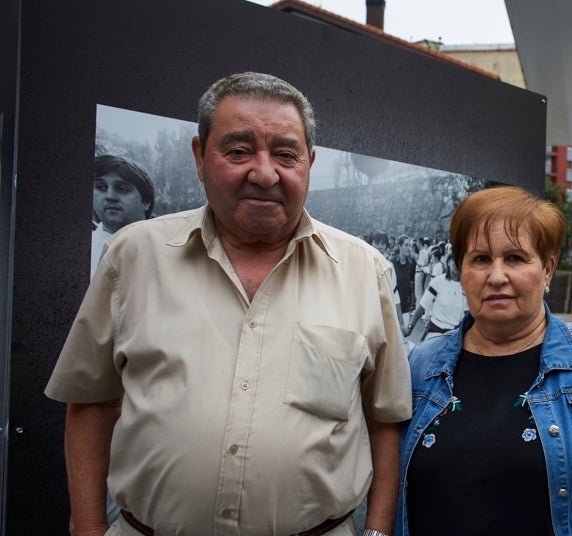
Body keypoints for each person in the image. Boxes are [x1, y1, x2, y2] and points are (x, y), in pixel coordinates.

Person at [45, 72, 411, 536]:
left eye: (285, 154)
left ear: (309, 163)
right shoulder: (133, 257)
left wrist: (377, 532)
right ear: (200, 157)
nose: (264, 172)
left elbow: (384, 421)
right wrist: (87, 526)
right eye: (238, 152)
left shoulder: (365, 272)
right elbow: (91, 404)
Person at [395, 185, 572, 536]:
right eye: (480, 259)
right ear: (461, 272)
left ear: (547, 269)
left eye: (515, 258)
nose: (497, 276)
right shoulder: (418, 368)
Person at [90, 154, 156, 277]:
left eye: (122, 189)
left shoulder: (166, 248)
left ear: (146, 201)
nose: (109, 196)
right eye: (101, 187)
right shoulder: (80, 254)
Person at [402, 255, 466, 341]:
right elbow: (422, 306)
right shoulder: (438, 281)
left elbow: (468, 314)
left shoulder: (468, 286)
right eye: (455, 260)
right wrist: (410, 327)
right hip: (434, 332)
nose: (457, 264)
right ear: (449, 262)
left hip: (454, 335)